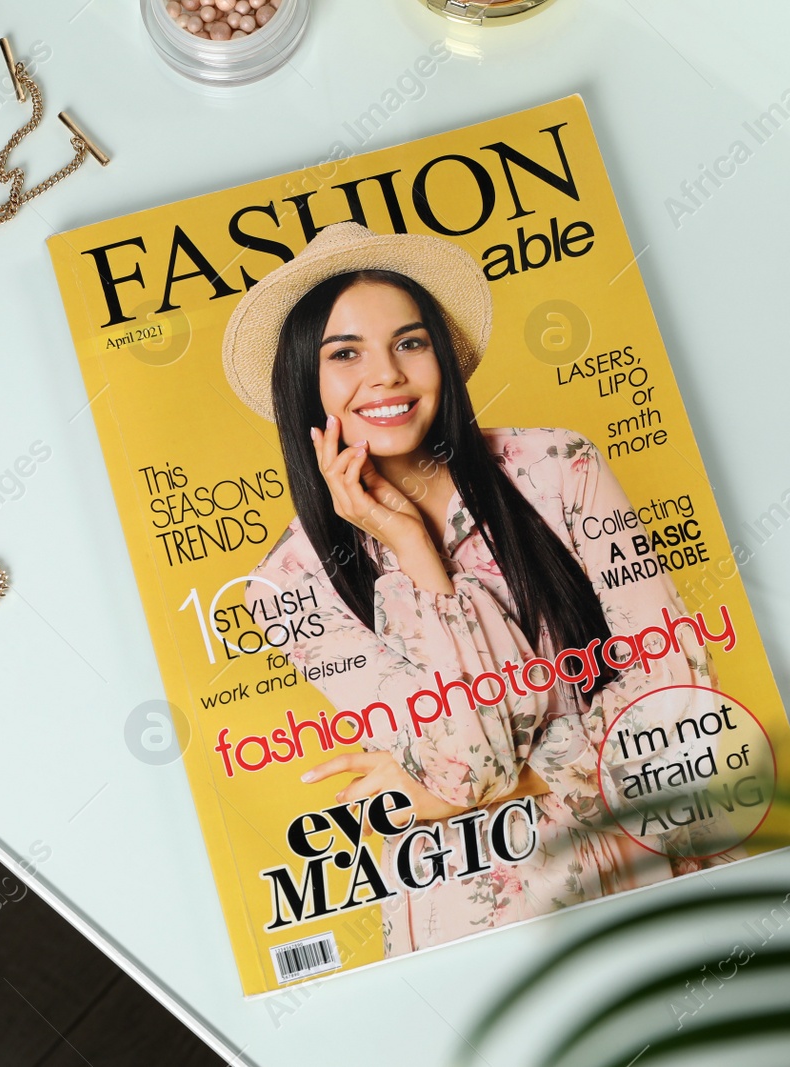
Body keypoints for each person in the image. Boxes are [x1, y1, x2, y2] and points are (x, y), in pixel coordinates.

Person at [223, 222, 722, 955]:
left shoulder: (559, 469)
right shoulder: (289, 587)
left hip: (646, 873)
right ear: (306, 381)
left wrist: (499, 783)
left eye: (410, 342)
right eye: (346, 353)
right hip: (475, 923)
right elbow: (469, 760)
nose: (386, 374)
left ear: (442, 357)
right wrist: (414, 551)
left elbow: (679, 697)